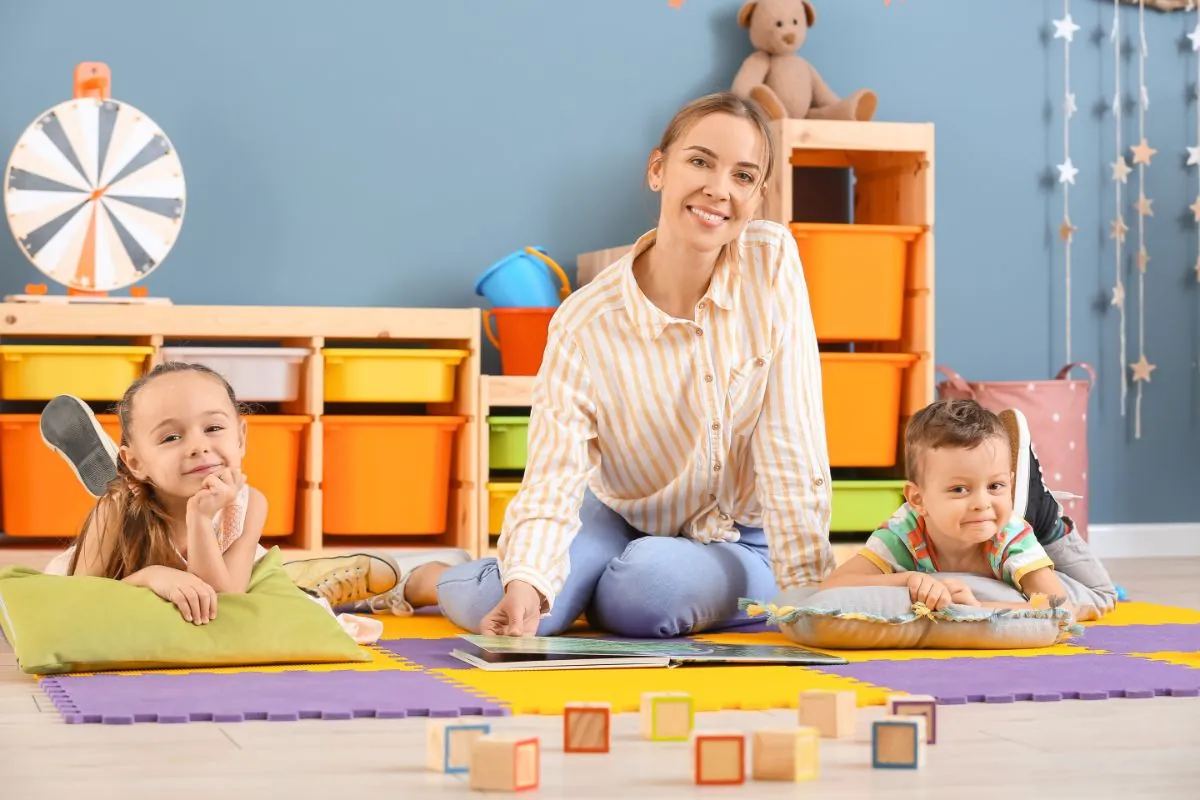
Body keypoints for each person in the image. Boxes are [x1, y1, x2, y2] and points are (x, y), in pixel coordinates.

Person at [389, 91, 836, 639]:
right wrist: (528, 582)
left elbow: (794, 436)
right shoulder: (584, 322)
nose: (719, 189)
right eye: (699, 161)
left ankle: (603, 588)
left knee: (647, 593)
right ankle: (420, 578)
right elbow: (553, 474)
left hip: (741, 536)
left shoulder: (772, 263)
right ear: (658, 169)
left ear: (759, 196)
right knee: (515, 599)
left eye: (743, 176)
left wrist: (806, 591)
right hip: (619, 516)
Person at [36, 364, 421, 643]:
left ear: (240, 437)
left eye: (214, 428)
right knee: (122, 504)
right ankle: (128, 479)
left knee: (278, 600)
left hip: (218, 583)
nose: (199, 446)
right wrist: (151, 577)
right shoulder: (114, 511)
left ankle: (312, 582)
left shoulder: (248, 505)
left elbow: (225, 602)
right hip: (119, 573)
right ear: (135, 460)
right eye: (170, 437)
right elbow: (80, 606)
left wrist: (201, 521)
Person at [819, 399, 1076, 614]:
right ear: (918, 500)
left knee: (1097, 596)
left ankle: (1042, 508)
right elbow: (833, 586)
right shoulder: (903, 533)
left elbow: (1061, 610)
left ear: (1009, 483)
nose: (981, 504)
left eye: (995, 486)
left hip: (1045, 535)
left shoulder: (1011, 536)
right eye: (959, 490)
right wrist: (909, 580)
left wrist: (977, 608)